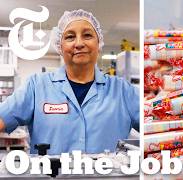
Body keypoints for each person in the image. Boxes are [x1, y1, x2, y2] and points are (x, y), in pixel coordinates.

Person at [0, 9, 139, 155]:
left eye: (87, 35)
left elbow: (156, 124)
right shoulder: (36, 87)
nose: (79, 43)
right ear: (60, 46)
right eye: (70, 37)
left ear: (99, 43)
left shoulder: (123, 91)